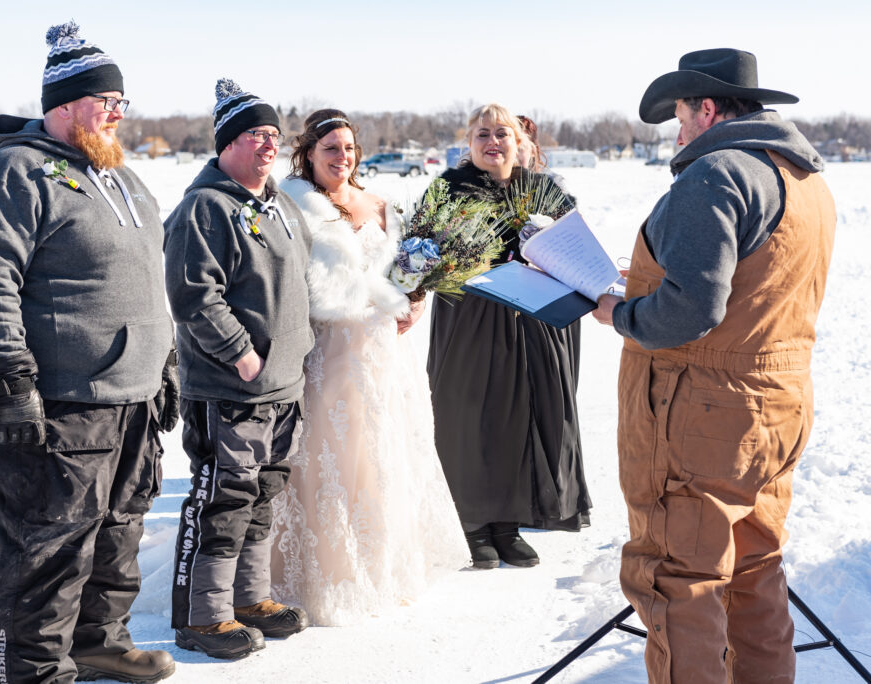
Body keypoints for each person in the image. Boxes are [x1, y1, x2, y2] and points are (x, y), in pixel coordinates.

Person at [592, 48, 835, 683]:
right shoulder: (803, 176)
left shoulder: (716, 173)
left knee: (682, 583)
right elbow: (754, 284)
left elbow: (690, 311)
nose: (676, 131)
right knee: (755, 570)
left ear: (707, 107)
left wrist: (618, 313)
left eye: (678, 114)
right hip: (776, 407)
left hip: (703, 415)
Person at [0, 22, 177, 683]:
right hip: (61, 403)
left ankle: (100, 642)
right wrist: (13, 382)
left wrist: (163, 364)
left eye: (121, 101)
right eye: (105, 99)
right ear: (64, 103)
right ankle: (35, 671)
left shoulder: (125, 179)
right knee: (47, 554)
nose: (117, 111)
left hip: (131, 399)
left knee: (119, 536)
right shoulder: (13, 173)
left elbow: (146, 280)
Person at [268, 110, 468, 625]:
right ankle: (331, 574)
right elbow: (298, 286)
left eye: (349, 148)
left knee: (385, 451)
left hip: (385, 352)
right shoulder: (293, 204)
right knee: (337, 455)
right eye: (330, 148)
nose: (342, 157)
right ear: (308, 152)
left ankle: (386, 566)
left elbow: (403, 271)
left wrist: (415, 299)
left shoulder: (380, 203)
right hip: (329, 351)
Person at [164, 78, 313, 660]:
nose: (268, 144)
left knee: (262, 497)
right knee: (222, 502)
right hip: (232, 386)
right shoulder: (206, 207)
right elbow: (193, 295)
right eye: (255, 134)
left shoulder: (278, 205)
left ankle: (249, 600)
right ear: (227, 143)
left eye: (274, 133)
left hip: (283, 387)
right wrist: (240, 352)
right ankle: (204, 617)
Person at [427, 103, 590, 570]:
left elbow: (574, 245)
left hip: (531, 316)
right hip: (469, 318)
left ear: (520, 144)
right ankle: (472, 524)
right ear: (469, 142)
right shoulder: (447, 189)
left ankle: (507, 524)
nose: (492, 142)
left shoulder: (541, 189)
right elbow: (418, 249)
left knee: (520, 419)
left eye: (502, 133)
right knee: (468, 417)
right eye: (482, 134)